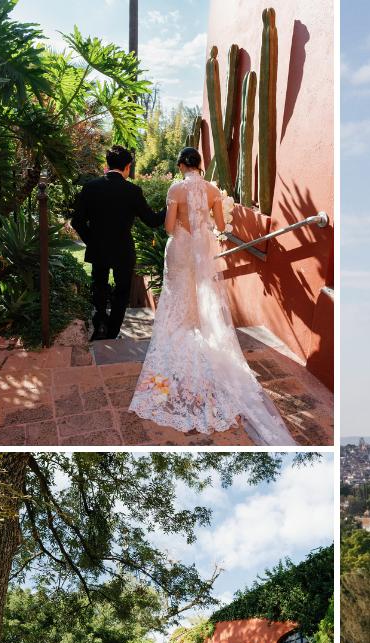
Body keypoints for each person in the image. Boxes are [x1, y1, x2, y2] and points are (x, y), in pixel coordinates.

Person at [127, 147, 291, 443]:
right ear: (200, 165)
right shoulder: (214, 190)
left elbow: (167, 228)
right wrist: (204, 225)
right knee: (201, 294)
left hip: (179, 249)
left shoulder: (175, 189)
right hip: (202, 249)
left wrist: (183, 224)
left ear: (180, 165)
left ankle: (178, 337)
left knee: (177, 296)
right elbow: (221, 225)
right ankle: (197, 332)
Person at [70, 145, 166, 340]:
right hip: (123, 250)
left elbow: (76, 222)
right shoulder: (132, 190)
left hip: (98, 249)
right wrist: (170, 204)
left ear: (107, 164)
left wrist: (92, 241)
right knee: (122, 291)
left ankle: (99, 325)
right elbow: (153, 221)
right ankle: (112, 331)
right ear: (128, 166)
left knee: (99, 285)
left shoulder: (90, 187)